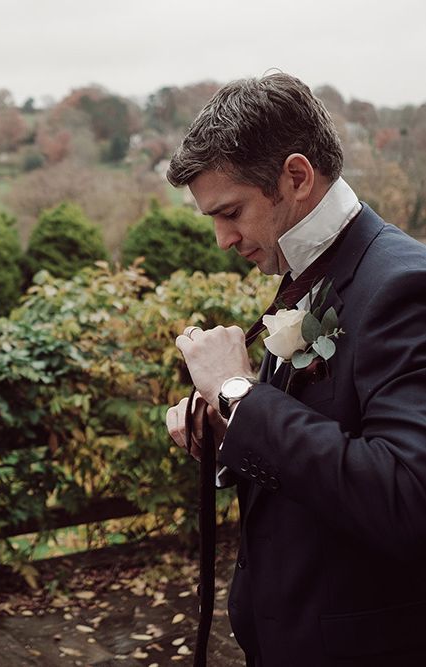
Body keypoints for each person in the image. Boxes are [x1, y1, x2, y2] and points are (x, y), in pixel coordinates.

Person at [165, 73, 426, 666]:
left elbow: (407, 495)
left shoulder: (403, 285)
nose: (222, 239)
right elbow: (323, 438)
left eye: (231, 212)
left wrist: (237, 390)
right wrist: (230, 424)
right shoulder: (306, 274)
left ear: (298, 177)